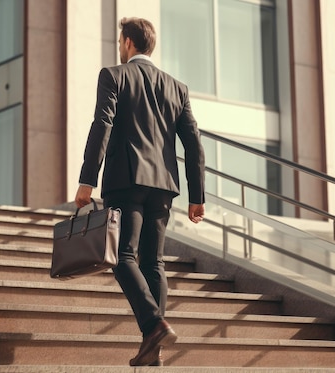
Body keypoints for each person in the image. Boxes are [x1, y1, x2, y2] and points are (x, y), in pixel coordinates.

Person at [74, 16, 205, 366]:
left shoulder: (114, 76)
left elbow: (102, 123)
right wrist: (197, 196)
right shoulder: (178, 88)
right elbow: (193, 143)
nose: (119, 47)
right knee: (154, 262)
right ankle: (153, 349)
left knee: (122, 257)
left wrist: (87, 179)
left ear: (128, 43)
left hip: (125, 181)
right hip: (163, 187)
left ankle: (153, 323)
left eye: (120, 41)